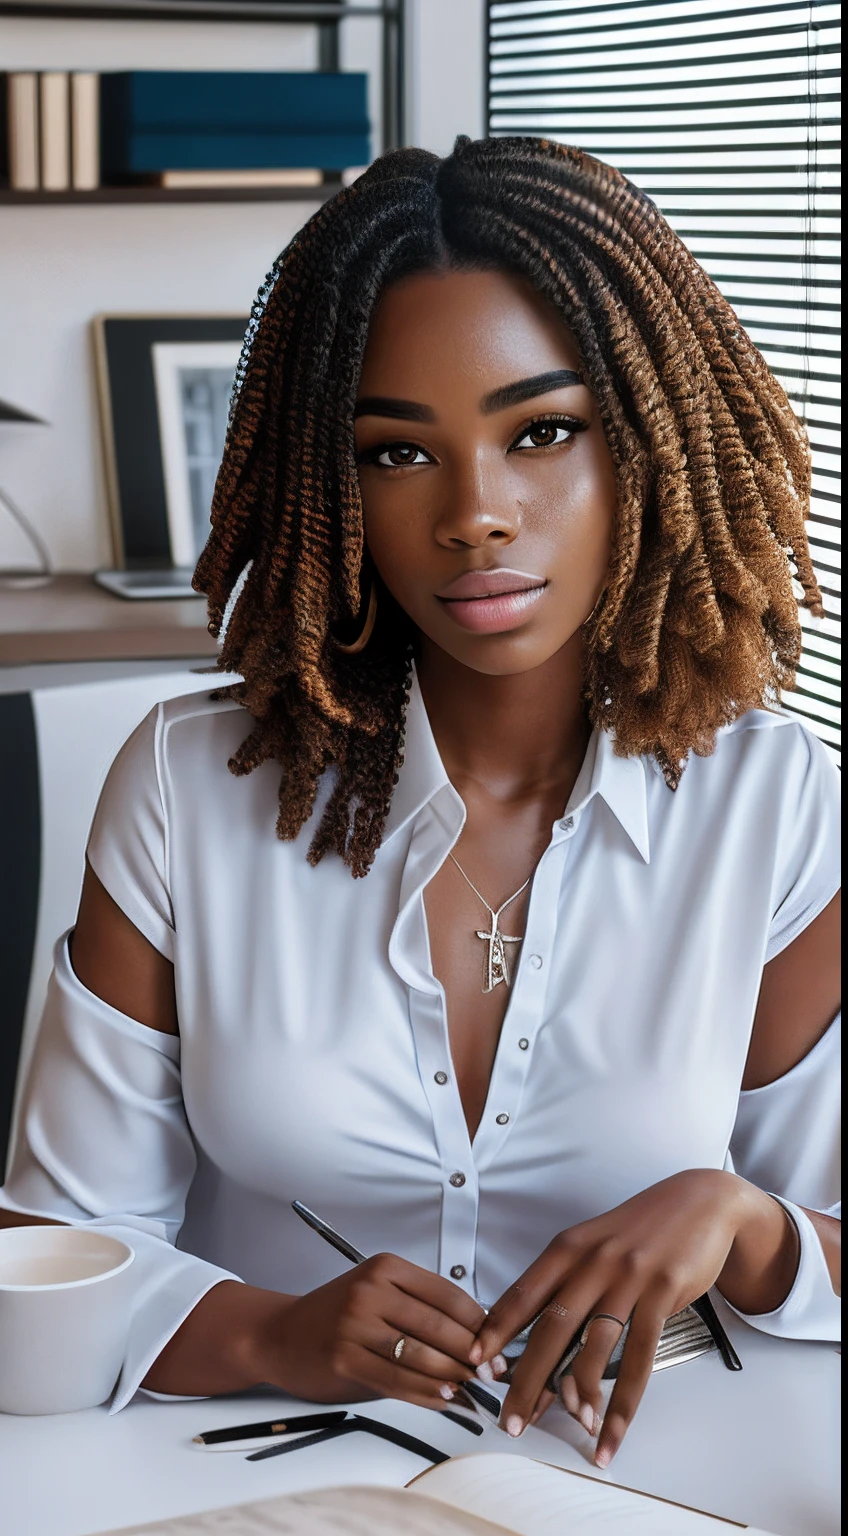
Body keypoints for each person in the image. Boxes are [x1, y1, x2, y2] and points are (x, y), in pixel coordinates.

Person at [1, 137, 840, 1471]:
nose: (477, 515)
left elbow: (830, 1233)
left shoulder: (775, 809)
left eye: (545, 433)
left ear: (651, 449)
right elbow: (48, 1258)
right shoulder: (183, 789)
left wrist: (745, 1224)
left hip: (660, 1484)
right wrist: (273, 1330)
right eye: (399, 455)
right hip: (240, 1485)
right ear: (334, 489)